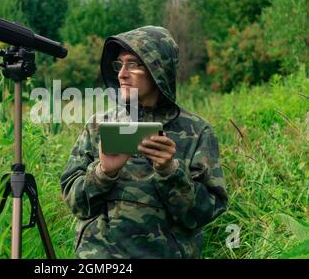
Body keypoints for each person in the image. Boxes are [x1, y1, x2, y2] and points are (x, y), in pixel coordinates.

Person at [60, 26, 228, 259]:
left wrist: (171, 172)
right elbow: (75, 203)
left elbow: (205, 212)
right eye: (120, 64)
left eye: (134, 64)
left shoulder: (197, 131)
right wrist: (103, 173)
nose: (122, 74)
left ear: (158, 69)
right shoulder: (99, 125)